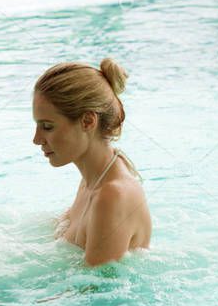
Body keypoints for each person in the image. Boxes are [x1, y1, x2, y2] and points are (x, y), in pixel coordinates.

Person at [31, 58, 151, 266]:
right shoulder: (92, 180)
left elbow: (96, 292)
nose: (36, 139)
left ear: (87, 121)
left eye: (47, 127)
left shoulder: (112, 197)